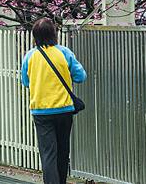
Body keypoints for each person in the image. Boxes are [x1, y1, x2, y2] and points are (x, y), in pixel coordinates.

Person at [21, 18, 87, 184]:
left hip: (41, 111)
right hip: (64, 109)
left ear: (35, 36)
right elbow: (81, 76)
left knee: (48, 153)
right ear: (54, 34)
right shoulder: (64, 52)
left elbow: (25, 82)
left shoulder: (30, 56)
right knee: (63, 151)